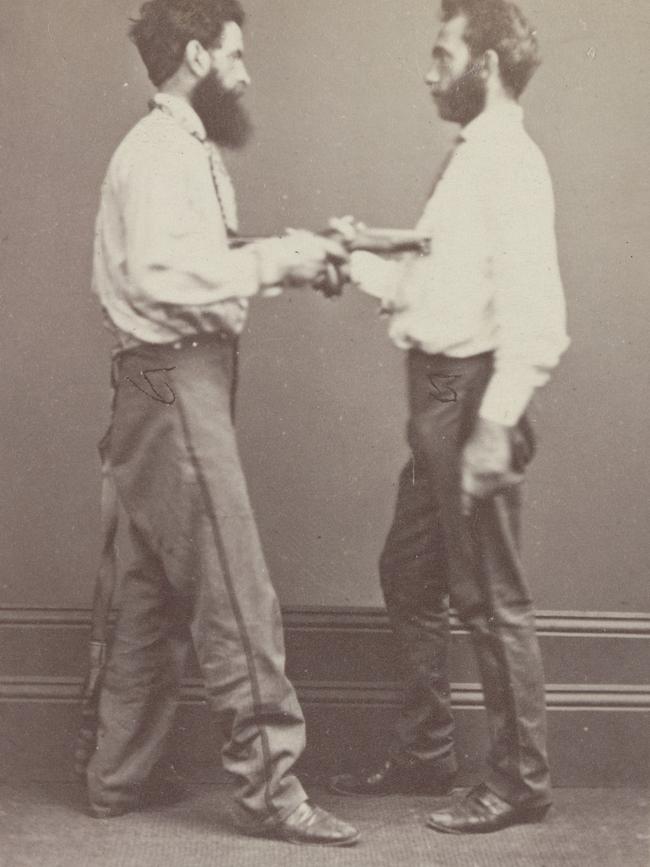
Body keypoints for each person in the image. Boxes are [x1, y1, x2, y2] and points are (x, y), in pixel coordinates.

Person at [85, 0, 360, 847]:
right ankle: (273, 790)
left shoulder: (172, 148)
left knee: (143, 591)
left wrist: (299, 255)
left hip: (150, 385)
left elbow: (205, 258)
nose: (245, 72)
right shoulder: (164, 152)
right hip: (178, 384)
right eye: (237, 56)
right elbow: (177, 277)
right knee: (236, 592)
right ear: (197, 56)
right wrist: (286, 258)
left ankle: (115, 777)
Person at [330, 0, 569, 834]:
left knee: (489, 594)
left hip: (470, 398)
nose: (428, 70)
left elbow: (536, 312)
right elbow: (432, 283)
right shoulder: (474, 158)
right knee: (411, 571)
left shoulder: (512, 162)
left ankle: (520, 780)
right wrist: (351, 256)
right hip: (436, 395)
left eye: (442, 53)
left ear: (488, 66)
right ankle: (429, 749)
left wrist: (497, 424)